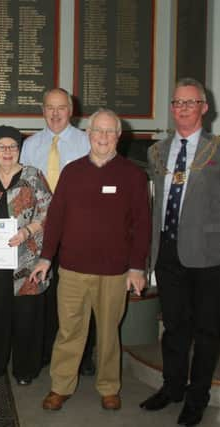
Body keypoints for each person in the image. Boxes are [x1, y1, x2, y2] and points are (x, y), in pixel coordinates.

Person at [30, 108, 151, 411]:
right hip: (71, 270)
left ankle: (109, 387)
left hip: (114, 272)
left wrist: (137, 267)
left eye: (110, 132)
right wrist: (46, 258)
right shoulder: (72, 172)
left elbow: (142, 225)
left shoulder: (133, 175)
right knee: (69, 330)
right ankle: (60, 385)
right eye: (98, 130)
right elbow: (56, 218)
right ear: (88, 134)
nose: (103, 137)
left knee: (109, 333)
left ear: (119, 137)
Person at [139, 78, 220, 427]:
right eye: (177, 102)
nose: (183, 108)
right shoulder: (156, 151)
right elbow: (155, 203)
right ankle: (172, 387)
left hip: (208, 253)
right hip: (168, 249)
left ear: (205, 107)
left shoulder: (217, 148)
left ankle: (196, 397)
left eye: (191, 102)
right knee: (174, 327)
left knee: (206, 330)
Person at [20, 87, 96, 375]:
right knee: (43, 294)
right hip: (38, 230)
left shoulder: (86, 141)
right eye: (49, 107)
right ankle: (45, 351)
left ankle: (84, 355)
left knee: (79, 293)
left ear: (71, 110)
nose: (54, 113)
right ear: (42, 110)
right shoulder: (30, 145)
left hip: (76, 230)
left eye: (60, 107)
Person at [0, 126, 52, 385]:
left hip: (26, 259)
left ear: (19, 150)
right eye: (1, 147)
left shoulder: (33, 176)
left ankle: (25, 370)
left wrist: (27, 231)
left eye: (12, 147)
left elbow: (49, 212)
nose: (7, 152)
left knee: (26, 317)